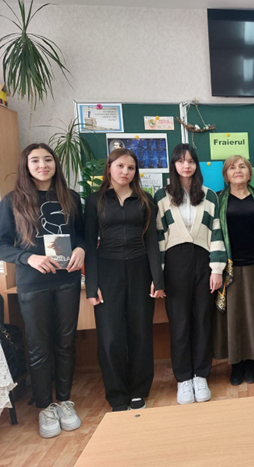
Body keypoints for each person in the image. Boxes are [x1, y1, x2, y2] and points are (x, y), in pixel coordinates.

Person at [0, 143, 84, 438]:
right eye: (35, 160)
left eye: (48, 159)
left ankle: (64, 402)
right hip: (33, 283)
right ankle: (45, 407)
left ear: (55, 164)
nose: (42, 165)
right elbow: (2, 244)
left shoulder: (70, 197)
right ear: (26, 165)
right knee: (38, 346)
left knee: (66, 343)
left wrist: (82, 249)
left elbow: (81, 234)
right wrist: (28, 257)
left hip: (67, 280)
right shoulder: (12, 201)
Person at [84, 148, 165, 411]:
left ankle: (139, 390)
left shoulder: (145, 200)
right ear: (109, 167)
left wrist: (157, 278)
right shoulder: (94, 201)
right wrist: (92, 285)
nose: (125, 172)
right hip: (107, 271)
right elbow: (89, 244)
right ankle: (117, 394)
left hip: (140, 270)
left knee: (140, 333)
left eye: (130, 168)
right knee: (110, 337)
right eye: (120, 166)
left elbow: (152, 241)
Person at [155, 144, 225, 405]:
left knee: (202, 321)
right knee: (180, 323)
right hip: (175, 264)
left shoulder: (209, 195)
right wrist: (160, 275)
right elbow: (159, 237)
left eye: (191, 161)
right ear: (173, 165)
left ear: (197, 165)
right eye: (181, 161)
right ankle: (183, 378)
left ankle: (200, 375)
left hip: (203, 262)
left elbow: (216, 233)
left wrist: (216, 269)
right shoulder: (161, 197)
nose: (186, 166)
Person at [214, 155, 254, 386]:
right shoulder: (217, 200)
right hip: (229, 268)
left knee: (253, 316)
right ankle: (236, 365)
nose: (238, 170)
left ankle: (252, 363)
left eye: (242, 166)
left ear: (250, 173)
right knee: (233, 318)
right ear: (226, 175)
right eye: (232, 167)